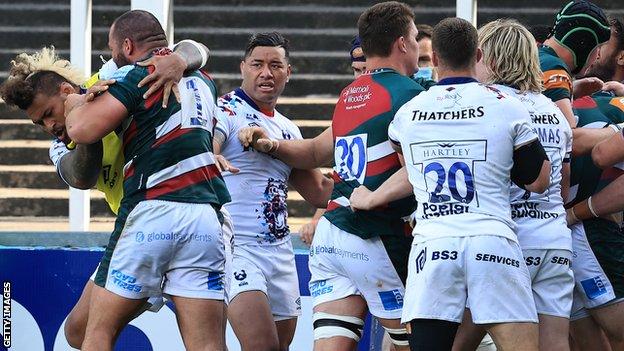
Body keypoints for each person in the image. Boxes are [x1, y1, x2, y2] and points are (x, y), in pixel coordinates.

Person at [349, 17, 552, 351]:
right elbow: (540, 181)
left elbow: (410, 173)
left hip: (433, 246)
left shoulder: (408, 114)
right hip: (493, 241)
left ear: (437, 60)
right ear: (479, 55)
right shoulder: (508, 107)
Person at [0, 39, 212, 348]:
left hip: (161, 214)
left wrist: (177, 60)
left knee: (97, 334)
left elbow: (196, 49)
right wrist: (82, 119)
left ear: (66, 90)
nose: (48, 126)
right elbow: (81, 177)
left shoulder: (109, 78)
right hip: (140, 226)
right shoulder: (62, 143)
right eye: (39, 123)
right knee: (77, 332)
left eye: (48, 113)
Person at [239, 2, 424, 350]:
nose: (416, 46)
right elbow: (420, 167)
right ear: (402, 43)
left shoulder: (349, 95)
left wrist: (270, 145)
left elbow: (312, 152)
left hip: (331, 238)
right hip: (376, 233)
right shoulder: (409, 95)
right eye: (415, 38)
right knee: (417, 341)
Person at [61, 10, 231, 350]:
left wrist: (73, 105)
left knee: (97, 333)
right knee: (208, 344)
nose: (111, 57)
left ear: (126, 45)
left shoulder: (137, 75)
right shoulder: (205, 81)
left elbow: (81, 129)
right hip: (206, 218)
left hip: (153, 209)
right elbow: (196, 51)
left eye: (112, 49)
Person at [450, 19, 573, 351]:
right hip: (554, 240)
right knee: (554, 345)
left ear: (488, 57)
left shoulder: (484, 104)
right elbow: (561, 190)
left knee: (456, 343)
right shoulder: (554, 112)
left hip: (504, 241)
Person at [214, 31, 332, 351]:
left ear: (288, 73)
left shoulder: (287, 129)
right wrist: (212, 155)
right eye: (257, 64)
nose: (266, 73)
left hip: (280, 253)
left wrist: (374, 184)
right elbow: (207, 143)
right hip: (237, 248)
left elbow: (320, 192)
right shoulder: (225, 109)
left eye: (275, 65)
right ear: (243, 68)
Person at [564, 17, 624, 351]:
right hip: (587, 234)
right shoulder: (588, 101)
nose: (594, 49)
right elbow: (599, 152)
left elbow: (600, 152)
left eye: (603, 42)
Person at [539, 0, 611, 127]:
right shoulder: (554, 69)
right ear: (583, 44)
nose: (598, 55)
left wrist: (571, 90)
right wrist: (619, 129)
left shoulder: (539, 57)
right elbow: (569, 137)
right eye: (597, 47)